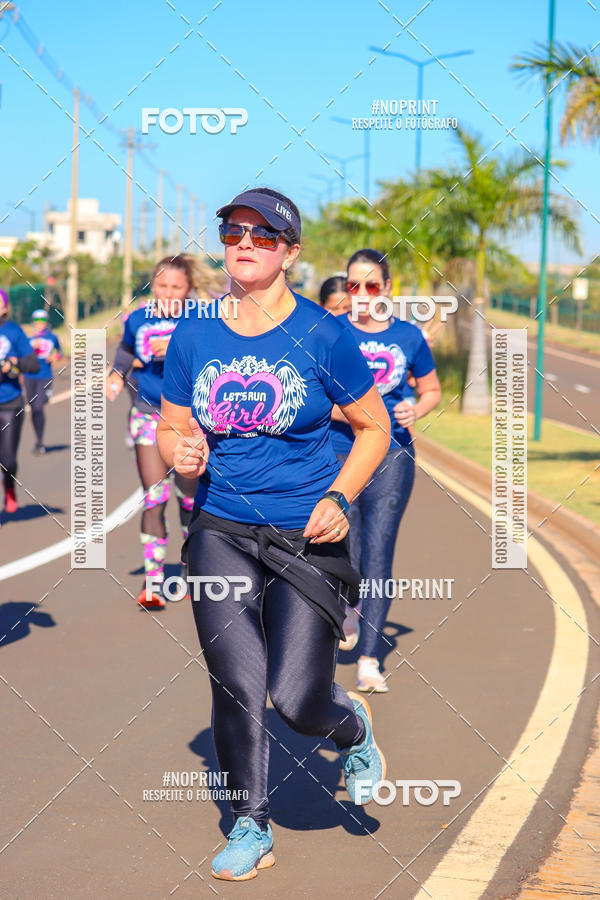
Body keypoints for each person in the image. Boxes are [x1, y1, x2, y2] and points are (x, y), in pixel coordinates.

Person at [157, 188, 389, 882]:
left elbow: (375, 428)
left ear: (289, 252)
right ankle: (251, 824)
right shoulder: (194, 334)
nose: (246, 243)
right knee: (236, 680)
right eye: (234, 232)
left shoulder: (324, 335)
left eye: (263, 235)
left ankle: (350, 729)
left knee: (295, 698)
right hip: (221, 528)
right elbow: (173, 424)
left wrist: (340, 496)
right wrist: (182, 453)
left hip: (305, 535)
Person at [331, 249, 441, 693]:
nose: (360, 294)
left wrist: (418, 406)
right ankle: (349, 607)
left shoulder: (409, 337)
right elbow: (319, 395)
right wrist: (357, 418)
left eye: (371, 285)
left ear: (387, 290)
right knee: (347, 550)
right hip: (340, 454)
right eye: (352, 286)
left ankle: (370, 659)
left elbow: (430, 389)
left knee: (378, 554)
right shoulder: (332, 332)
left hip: (394, 457)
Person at [106, 256, 199, 609]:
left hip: (190, 420)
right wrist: (116, 375)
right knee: (154, 495)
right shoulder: (138, 318)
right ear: (152, 285)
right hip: (147, 414)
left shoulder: (200, 320)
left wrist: (175, 348)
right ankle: (154, 581)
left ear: (188, 289)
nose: (169, 293)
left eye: (177, 287)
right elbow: (126, 352)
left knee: (188, 499)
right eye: (162, 286)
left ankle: (192, 570)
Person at [0, 289, 40, 512]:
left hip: (10, 404)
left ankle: (8, 484)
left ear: (5, 307)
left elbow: (33, 364)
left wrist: (14, 363)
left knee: (7, 460)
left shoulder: (13, 331)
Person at [22, 308, 62, 454]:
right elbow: (22, 356)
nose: (40, 323)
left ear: (47, 322)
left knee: (39, 406)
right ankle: (38, 441)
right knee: (33, 409)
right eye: (37, 321)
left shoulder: (52, 337)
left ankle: (40, 442)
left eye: (43, 320)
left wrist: (54, 358)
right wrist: (31, 348)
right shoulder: (28, 339)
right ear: (33, 322)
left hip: (44, 375)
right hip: (29, 376)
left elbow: (60, 353)